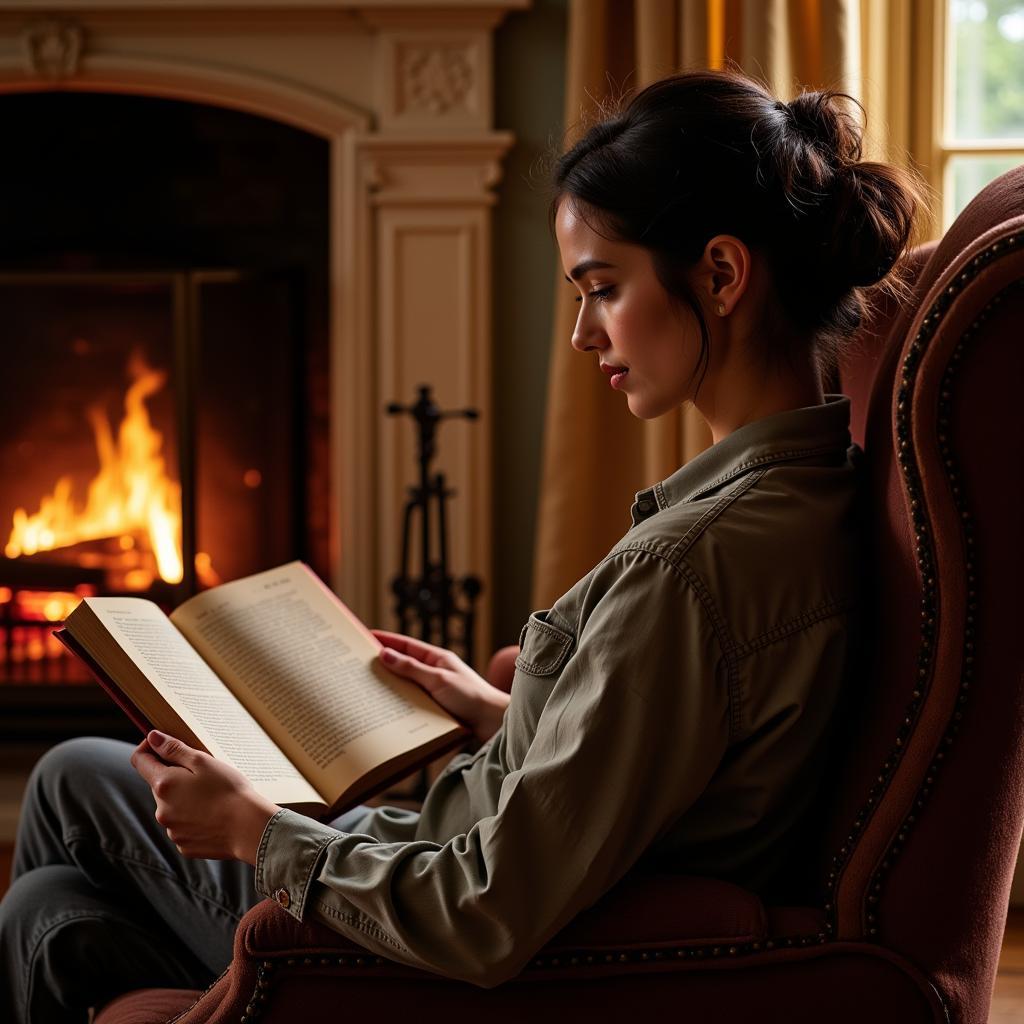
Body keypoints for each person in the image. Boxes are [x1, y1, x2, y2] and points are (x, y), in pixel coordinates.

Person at [0, 68, 920, 1022]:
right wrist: (505, 713)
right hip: (449, 839)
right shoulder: (798, 500)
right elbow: (667, 754)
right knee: (57, 881)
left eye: (602, 289)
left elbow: (485, 908)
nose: (580, 334)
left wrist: (256, 832)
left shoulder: (695, 566)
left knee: (62, 821)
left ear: (722, 274)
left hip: (438, 905)